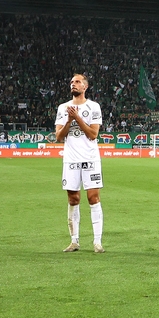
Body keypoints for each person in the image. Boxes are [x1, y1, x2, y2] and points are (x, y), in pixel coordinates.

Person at [55, 73, 105, 253]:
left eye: (77, 82)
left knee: (93, 198)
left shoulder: (93, 107)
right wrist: (69, 120)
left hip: (90, 158)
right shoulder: (63, 108)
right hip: (71, 160)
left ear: (85, 87)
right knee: (73, 198)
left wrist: (77, 118)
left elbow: (93, 134)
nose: (73, 84)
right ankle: (74, 241)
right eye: (71, 82)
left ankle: (97, 242)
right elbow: (59, 137)